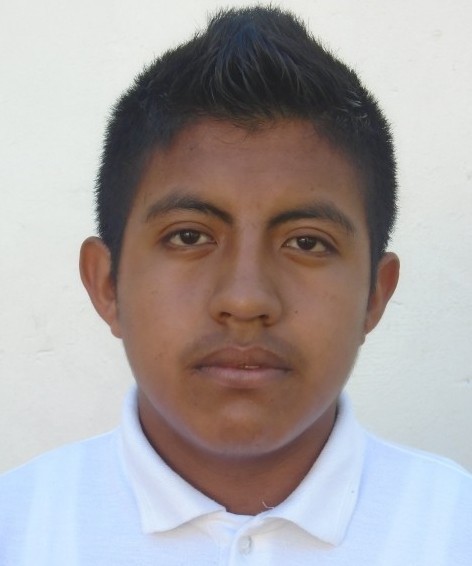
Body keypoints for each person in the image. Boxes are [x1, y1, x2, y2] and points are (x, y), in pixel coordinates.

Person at [1, 6, 470, 565]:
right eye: (189, 236)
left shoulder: (453, 532)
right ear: (107, 284)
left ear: (375, 293)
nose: (245, 301)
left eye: (307, 242)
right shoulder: (18, 531)